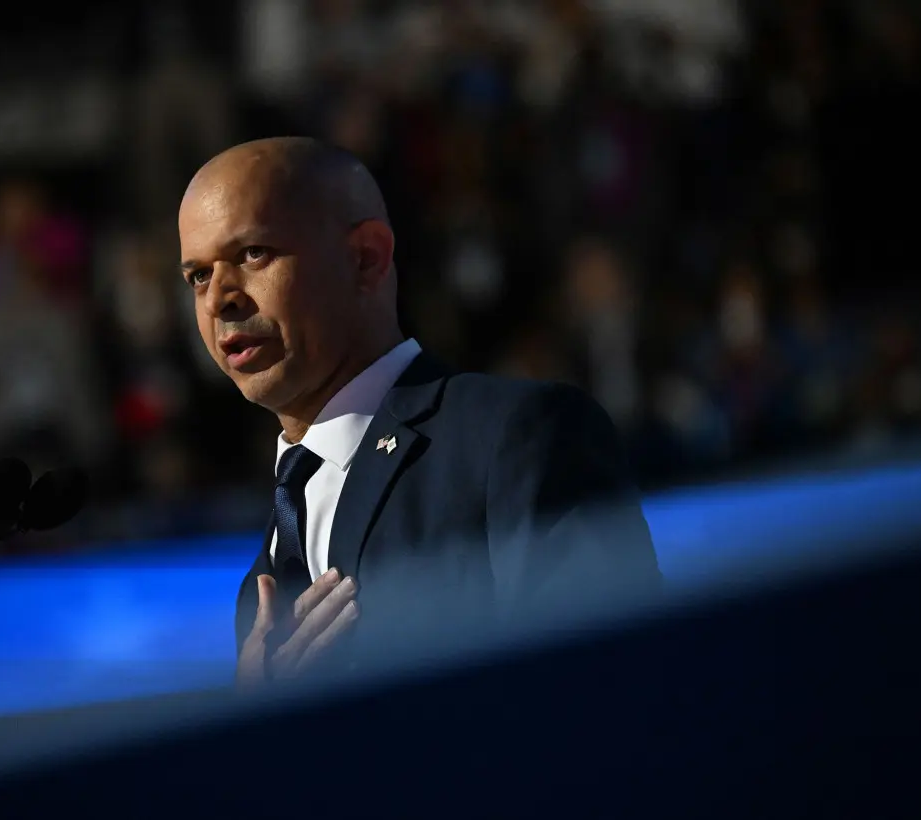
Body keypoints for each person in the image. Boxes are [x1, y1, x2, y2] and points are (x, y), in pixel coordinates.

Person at [176, 137, 660, 687]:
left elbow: (619, 694)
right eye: (198, 276)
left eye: (252, 254)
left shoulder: (516, 437)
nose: (219, 300)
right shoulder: (259, 588)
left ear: (366, 259)